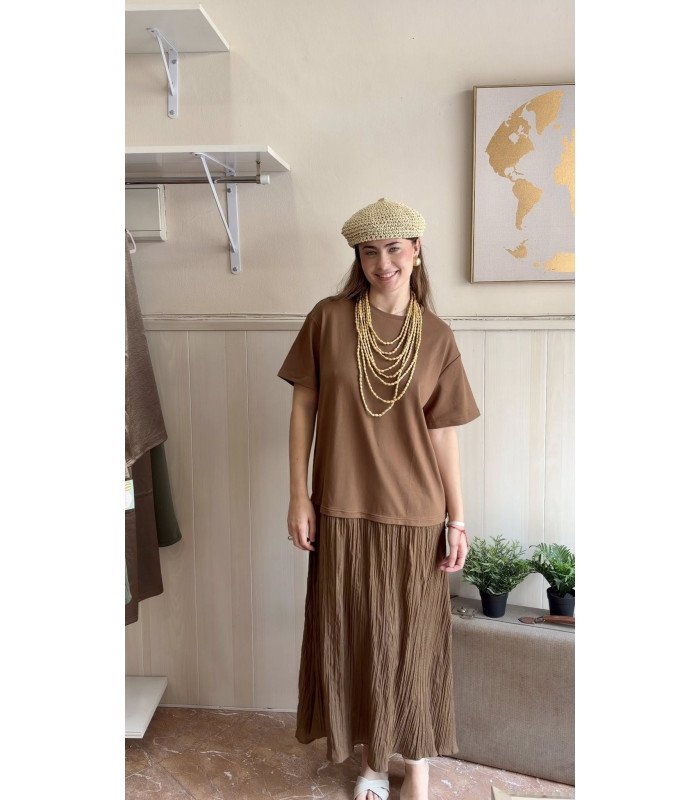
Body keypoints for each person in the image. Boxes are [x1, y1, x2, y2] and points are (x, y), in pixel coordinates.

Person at [277, 197, 481, 800]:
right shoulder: (328, 319)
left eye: (394, 248)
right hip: (341, 507)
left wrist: (458, 518)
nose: (382, 262)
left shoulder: (437, 336)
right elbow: (304, 409)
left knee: (412, 648)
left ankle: (416, 766)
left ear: (416, 251)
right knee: (356, 643)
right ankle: (371, 759)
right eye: (369, 251)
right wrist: (298, 495)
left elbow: (443, 436)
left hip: (416, 514)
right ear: (358, 258)